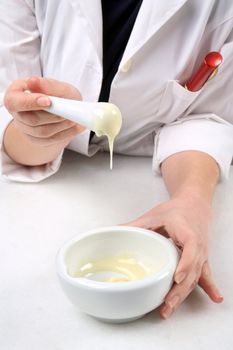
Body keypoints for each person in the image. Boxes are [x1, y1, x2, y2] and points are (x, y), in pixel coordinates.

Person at [0, 0, 233, 319]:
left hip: (147, 176)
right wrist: (37, 129)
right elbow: (8, 115)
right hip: (40, 207)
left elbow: (204, 116)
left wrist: (192, 200)